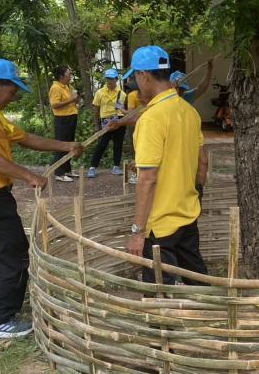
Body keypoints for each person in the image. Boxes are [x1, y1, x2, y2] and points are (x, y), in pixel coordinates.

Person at [0, 59, 83, 339]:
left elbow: (24, 138)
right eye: (12, 92)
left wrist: (66, 146)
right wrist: (29, 176)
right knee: (15, 255)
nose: (12, 98)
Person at [124, 45, 209, 285]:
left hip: (160, 225)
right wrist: (196, 193)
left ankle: (162, 313)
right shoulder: (189, 111)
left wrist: (138, 232)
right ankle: (209, 308)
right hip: (187, 214)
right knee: (197, 280)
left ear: (144, 75)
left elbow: (147, 178)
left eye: (135, 77)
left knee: (159, 292)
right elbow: (203, 161)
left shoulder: (152, 118)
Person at [87, 68, 127, 178]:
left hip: (119, 120)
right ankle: (92, 167)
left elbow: (123, 109)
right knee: (102, 144)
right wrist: (96, 125)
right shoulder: (100, 92)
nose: (109, 81)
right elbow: (96, 110)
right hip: (105, 121)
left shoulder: (122, 94)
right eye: (107, 78)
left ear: (116, 79)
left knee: (118, 144)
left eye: (111, 79)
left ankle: (116, 166)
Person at [49, 65, 79, 182]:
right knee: (61, 144)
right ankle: (59, 172)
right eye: (68, 74)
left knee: (69, 144)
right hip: (62, 119)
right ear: (61, 76)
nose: (70, 76)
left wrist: (75, 99)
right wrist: (71, 100)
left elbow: (72, 99)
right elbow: (54, 105)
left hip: (71, 116)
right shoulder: (55, 87)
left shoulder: (68, 86)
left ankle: (67, 169)